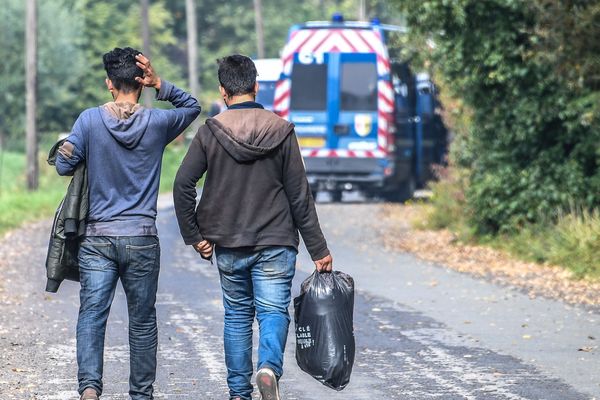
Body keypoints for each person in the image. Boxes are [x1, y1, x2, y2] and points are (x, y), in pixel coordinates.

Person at [173, 54, 333, 400]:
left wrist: (195, 236)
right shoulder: (281, 130)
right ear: (256, 86)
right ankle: (268, 368)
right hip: (276, 241)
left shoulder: (209, 132)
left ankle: (238, 394)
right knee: (274, 311)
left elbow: (183, 184)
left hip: (229, 243)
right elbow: (299, 195)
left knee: (237, 317)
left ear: (222, 90)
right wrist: (318, 249)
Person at [55, 47, 201, 400]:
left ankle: (90, 388)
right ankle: (140, 395)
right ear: (140, 82)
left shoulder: (89, 121)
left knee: (92, 315)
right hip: (141, 237)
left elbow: (63, 165)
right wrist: (159, 84)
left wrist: (72, 150)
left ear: (109, 84)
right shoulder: (157, 123)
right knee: (142, 321)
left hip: (97, 239)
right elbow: (192, 107)